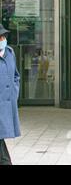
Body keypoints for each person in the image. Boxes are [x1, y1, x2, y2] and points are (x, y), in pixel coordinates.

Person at [0, 24, 21, 165]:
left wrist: (14, 92)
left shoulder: (10, 53)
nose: (2, 39)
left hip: (6, 104)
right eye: (0, 37)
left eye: (3, 36)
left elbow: (16, 76)